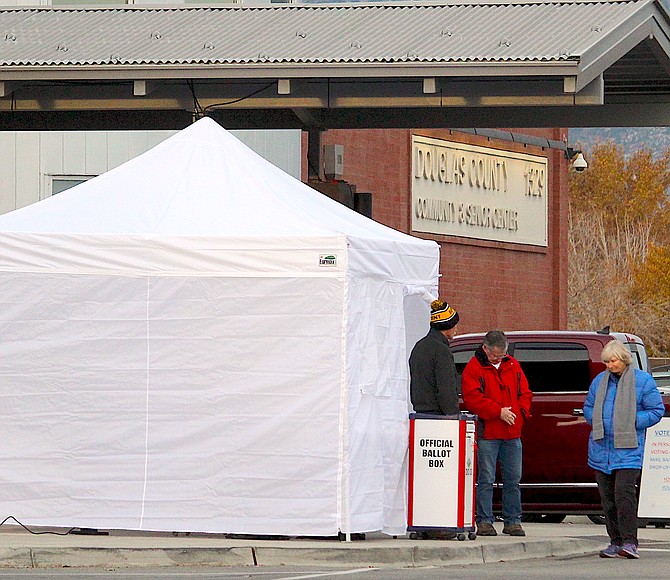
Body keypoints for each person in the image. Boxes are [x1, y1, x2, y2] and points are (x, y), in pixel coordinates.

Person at [583, 340, 664, 559]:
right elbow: (588, 407)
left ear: (624, 359)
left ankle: (630, 542)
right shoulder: (600, 381)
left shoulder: (643, 381)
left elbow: (656, 410)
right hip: (601, 449)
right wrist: (595, 418)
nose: (609, 365)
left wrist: (632, 421)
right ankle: (614, 541)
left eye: (613, 361)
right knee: (607, 498)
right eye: (606, 361)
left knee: (624, 496)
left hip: (629, 450)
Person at [461, 330, 532, 537]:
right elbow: (473, 398)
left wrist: (520, 413)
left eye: (501, 355)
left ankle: (513, 521)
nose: (498, 359)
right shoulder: (473, 368)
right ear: (485, 348)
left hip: (512, 432)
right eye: (495, 355)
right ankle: (484, 521)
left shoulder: (513, 365)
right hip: (488, 433)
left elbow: (525, 392)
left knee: (513, 479)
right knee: (486, 478)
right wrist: (498, 412)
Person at [409, 299, 460, 416]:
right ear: (447, 325)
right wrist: (453, 415)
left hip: (420, 414)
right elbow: (446, 388)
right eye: (454, 324)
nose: (456, 328)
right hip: (439, 417)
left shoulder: (419, 346)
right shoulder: (442, 351)